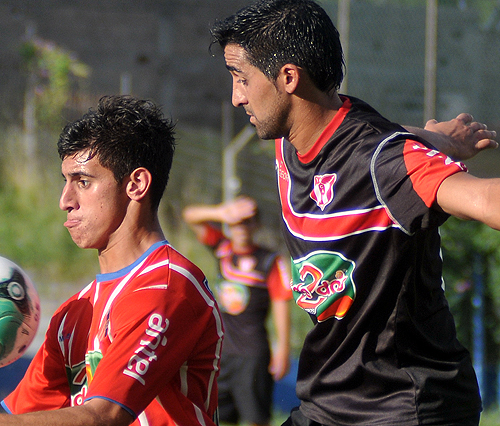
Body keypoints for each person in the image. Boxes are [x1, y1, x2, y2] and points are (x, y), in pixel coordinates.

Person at [210, 1, 499, 425]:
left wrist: (429, 149)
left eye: (242, 79)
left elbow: (486, 201)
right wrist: (435, 138)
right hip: (328, 405)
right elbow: (385, 138)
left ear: (289, 78)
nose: (236, 98)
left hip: (404, 407)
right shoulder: (291, 140)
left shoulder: (384, 162)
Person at [0, 95, 223, 426]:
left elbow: (103, 416)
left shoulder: (165, 287)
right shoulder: (73, 313)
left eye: (82, 182)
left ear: (136, 185)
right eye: (65, 181)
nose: (64, 200)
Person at [182, 195, 292, 426]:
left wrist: (282, 348)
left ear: (257, 225)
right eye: (236, 222)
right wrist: (221, 211)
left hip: (252, 354)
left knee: (255, 419)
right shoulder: (223, 249)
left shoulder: (269, 261)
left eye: (247, 221)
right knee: (217, 416)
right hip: (220, 354)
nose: (241, 228)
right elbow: (190, 216)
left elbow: (282, 302)